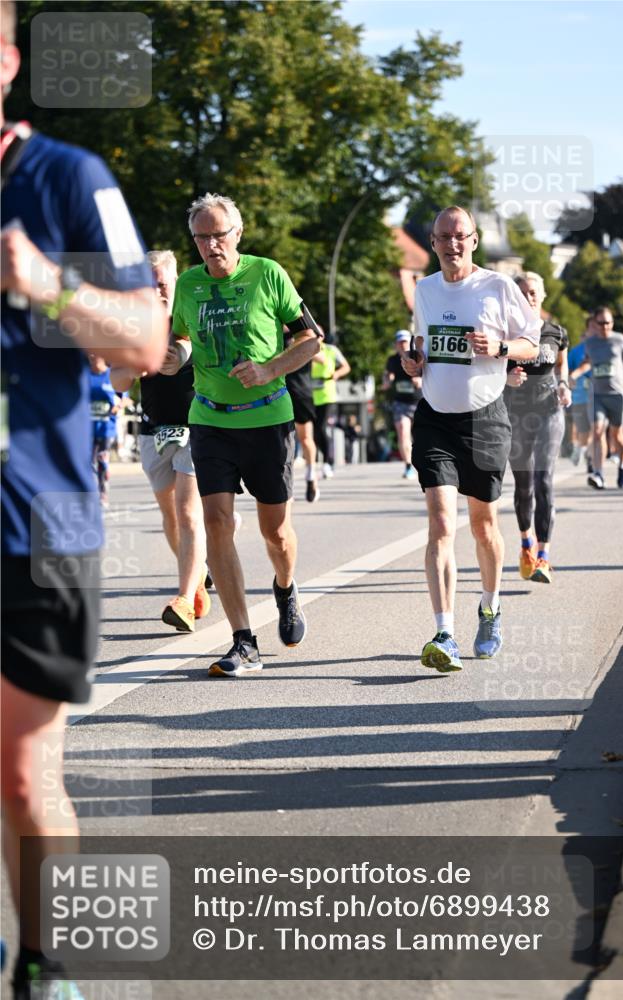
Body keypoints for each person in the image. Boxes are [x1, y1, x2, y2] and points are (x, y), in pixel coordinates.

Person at [0, 3, 167, 997]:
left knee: (23, 775)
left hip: (41, 520)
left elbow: (144, 342)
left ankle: (44, 960)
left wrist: (46, 282)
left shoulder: (67, 178)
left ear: (7, 62)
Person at [171, 193, 321, 677]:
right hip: (210, 420)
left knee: (275, 532)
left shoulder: (267, 273)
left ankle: (286, 587)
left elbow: (311, 339)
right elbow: (181, 338)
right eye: (201, 237)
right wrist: (175, 356)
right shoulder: (188, 285)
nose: (211, 244)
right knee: (216, 521)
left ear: (237, 233)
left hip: (266, 420)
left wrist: (269, 369)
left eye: (219, 234)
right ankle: (243, 641)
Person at [401, 206, 540, 672]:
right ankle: (444, 633)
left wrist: (500, 348)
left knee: (483, 526)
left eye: (460, 236)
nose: (452, 244)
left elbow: (532, 343)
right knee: (442, 522)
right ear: (433, 243)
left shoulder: (497, 286)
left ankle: (490, 607)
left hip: (485, 419)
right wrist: (414, 361)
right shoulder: (425, 289)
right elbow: (422, 346)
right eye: (444, 237)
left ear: (474, 241)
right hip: (435, 419)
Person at [111, 249, 219, 633]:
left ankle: (184, 600)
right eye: (148, 283)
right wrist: (134, 365)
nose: (155, 290)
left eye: (161, 283)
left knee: (187, 512)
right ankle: (198, 576)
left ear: (175, 281)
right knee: (171, 516)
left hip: (195, 426)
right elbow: (117, 380)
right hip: (153, 431)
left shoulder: (194, 315)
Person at [504, 272, 571, 585]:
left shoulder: (556, 332)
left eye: (533, 292)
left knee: (544, 480)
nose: (528, 297)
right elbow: (489, 369)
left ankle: (544, 556)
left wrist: (564, 384)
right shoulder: (506, 333)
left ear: (542, 295)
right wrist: (506, 378)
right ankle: (526, 544)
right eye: (522, 292)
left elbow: (561, 364)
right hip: (516, 414)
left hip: (549, 411)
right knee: (524, 486)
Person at [570, 306, 623, 490]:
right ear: (595, 323)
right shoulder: (590, 343)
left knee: (617, 436)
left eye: (608, 323)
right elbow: (587, 363)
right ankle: (599, 474)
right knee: (597, 432)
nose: (605, 326)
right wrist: (574, 375)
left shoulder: (620, 340)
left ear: (612, 323)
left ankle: (622, 465)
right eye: (601, 323)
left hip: (617, 395)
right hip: (597, 395)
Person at [285, 332, 326, 502]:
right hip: (279, 393)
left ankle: (311, 476)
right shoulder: (272, 331)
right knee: (281, 441)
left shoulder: (302, 331)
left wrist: (304, 348)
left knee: (306, 438)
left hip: (301, 392)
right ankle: (285, 488)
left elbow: (322, 358)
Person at [382, 329, 422, 480]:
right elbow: (387, 373)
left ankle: (424, 463)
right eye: (399, 343)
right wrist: (387, 380)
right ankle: (408, 466)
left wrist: (420, 379)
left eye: (405, 342)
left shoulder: (418, 356)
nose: (402, 345)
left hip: (419, 402)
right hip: (400, 402)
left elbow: (431, 373)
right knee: (403, 432)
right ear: (396, 345)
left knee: (421, 435)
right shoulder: (392, 360)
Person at [312, 337, 350, 477]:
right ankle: (324, 458)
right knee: (314, 431)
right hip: (309, 395)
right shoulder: (304, 348)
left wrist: (337, 373)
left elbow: (346, 366)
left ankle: (328, 461)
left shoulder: (331, 350)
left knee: (321, 428)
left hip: (327, 395)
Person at [89, 354, 121, 509]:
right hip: (87, 427)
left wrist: (118, 405)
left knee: (102, 460)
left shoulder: (112, 375)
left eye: (95, 353)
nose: (92, 356)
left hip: (106, 428)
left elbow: (124, 397)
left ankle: (102, 493)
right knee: (87, 462)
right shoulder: (84, 375)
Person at [567, 316, 595, 473]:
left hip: (598, 396)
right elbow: (567, 371)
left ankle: (590, 459)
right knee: (583, 430)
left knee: (595, 429)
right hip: (579, 396)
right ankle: (580, 447)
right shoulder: (575, 351)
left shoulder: (604, 348)